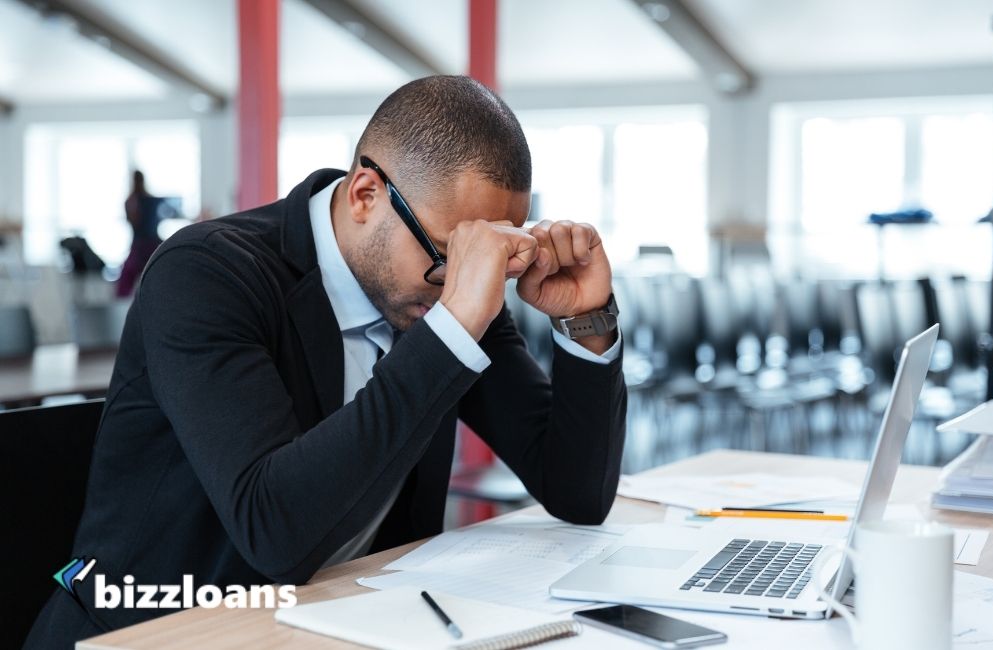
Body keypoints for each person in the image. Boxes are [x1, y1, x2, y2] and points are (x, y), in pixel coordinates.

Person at [25, 75, 627, 648]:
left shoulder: (442, 291)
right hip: (163, 630)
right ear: (366, 194)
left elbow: (576, 491)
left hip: (342, 624)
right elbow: (275, 531)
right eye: (450, 255)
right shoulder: (206, 274)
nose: (460, 286)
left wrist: (588, 320)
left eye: (481, 259)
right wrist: (449, 331)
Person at [116, 170, 163, 297]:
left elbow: (134, 222)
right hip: (151, 244)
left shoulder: (134, 201)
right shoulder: (149, 201)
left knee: (126, 281)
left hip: (142, 246)